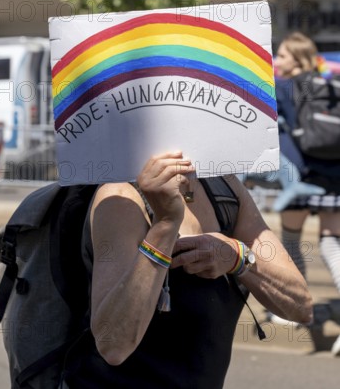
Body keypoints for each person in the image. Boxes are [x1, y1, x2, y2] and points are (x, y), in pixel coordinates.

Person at [64, 151, 313, 388]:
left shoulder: (225, 187)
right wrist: (165, 225)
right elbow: (113, 346)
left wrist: (238, 257)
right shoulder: (119, 196)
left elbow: (300, 306)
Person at [274, 31, 340, 356]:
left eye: (282, 55)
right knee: (331, 243)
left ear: (297, 58)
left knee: (290, 239)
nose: (276, 60)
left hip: (300, 173)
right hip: (333, 173)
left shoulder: (285, 86)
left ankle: (298, 309)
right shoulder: (327, 84)